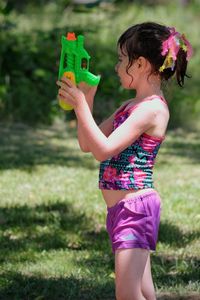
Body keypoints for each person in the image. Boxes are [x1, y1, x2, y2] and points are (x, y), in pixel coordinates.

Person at [56, 22, 192, 300]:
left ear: (140, 64)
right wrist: (88, 102)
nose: (117, 66)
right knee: (142, 292)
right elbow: (87, 144)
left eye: (122, 59)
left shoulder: (152, 109)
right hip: (120, 210)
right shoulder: (128, 106)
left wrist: (81, 105)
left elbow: (103, 150)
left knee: (127, 294)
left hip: (136, 209)